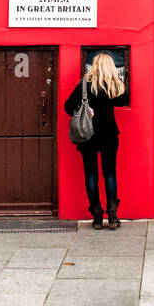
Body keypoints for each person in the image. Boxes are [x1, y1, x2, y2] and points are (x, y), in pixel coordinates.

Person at [64, 53, 130, 230]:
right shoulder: (114, 85)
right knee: (110, 174)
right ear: (110, 66)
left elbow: (67, 106)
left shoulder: (84, 85)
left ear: (93, 66)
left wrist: (84, 109)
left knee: (91, 175)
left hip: (88, 135)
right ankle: (113, 216)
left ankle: (97, 216)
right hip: (109, 134)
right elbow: (124, 100)